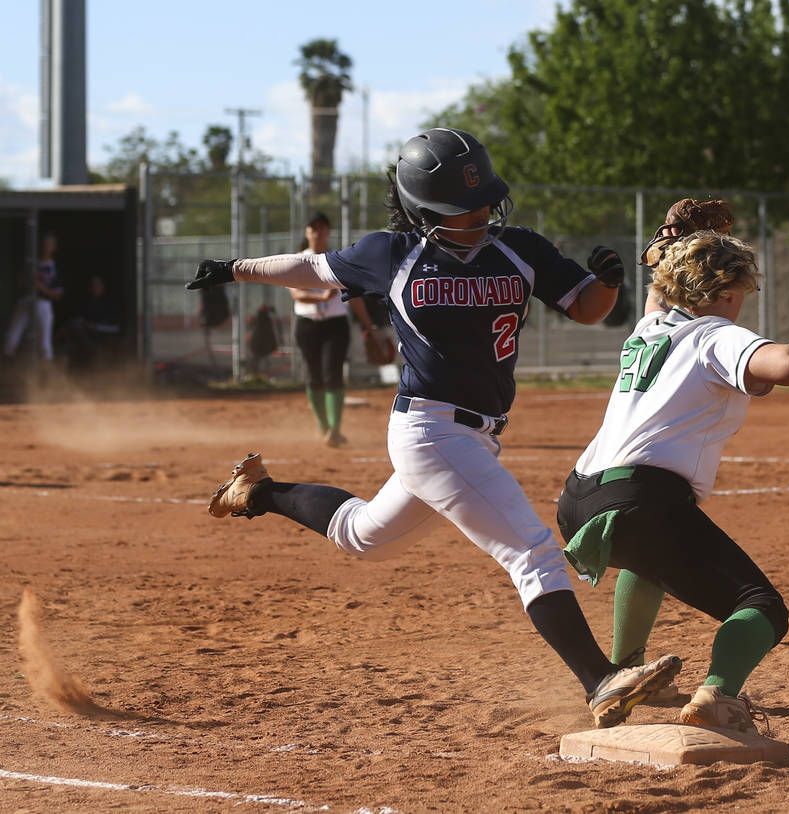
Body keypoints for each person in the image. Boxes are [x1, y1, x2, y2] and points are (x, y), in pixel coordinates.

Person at [186, 127, 682, 727]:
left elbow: (586, 307)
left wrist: (607, 282)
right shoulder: (393, 254)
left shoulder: (520, 246)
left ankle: (258, 492)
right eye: (461, 205)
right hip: (428, 430)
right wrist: (235, 268)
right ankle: (599, 680)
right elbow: (312, 268)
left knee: (363, 535)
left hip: (474, 436)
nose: (479, 211)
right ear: (426, 211)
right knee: (532, 553)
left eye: (483, 199)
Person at [557, 229, 789, 734]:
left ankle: (626, 671)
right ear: (728, 292)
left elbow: (656, 292)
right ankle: (718, 695)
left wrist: (669, 244)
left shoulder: (650, 328)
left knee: (650, 561)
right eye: (742, 290)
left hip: (578, 498)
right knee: (762, 607)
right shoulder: (717, 332)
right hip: (640, 501)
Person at [289, 211, 378, 446]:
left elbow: (355, 297)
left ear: (328, 231)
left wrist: (369, 325)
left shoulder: (338, 260)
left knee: (333, 373)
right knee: (314, 374)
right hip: (307, 324)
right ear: (307, 232)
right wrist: (323, 298)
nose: (318, 232)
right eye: (313, 227)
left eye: (322, 227)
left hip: (335, 325)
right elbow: (296, 295)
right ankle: (323, 425)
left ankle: (335, 430)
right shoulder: (297, 260)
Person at [4, 232, 64, 365]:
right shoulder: (31, 262)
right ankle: (8, 373)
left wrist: (40, 286)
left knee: (44, 344)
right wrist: (26, 278)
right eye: (44, 243)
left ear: (54, 247)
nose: (46, 246)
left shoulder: (55, 267)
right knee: (11, 340)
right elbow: (19, 282)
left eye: (49, 243)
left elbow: (58, 295)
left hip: (43, 303)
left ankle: (47, 378)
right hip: (26, 300)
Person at [65, 274, 121, 372]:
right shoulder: (86, 303)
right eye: (92, 285)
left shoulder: (110, 304)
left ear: (103, 287)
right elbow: (78, 321)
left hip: (103, 339)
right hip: (87, 339)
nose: (95, 287)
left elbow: (116, 328)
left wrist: (97, 327)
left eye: (97, 285)